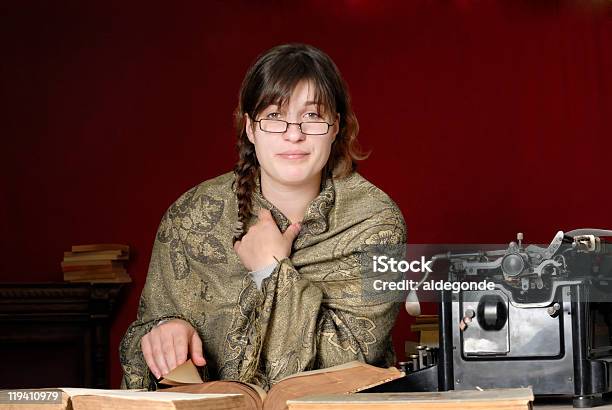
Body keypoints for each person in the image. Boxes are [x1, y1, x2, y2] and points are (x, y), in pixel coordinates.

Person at [119, 43, 406, 391]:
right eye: (273, 116)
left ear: (335, 128)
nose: (294, 133)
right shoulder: (190, 216)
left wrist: (270, 270)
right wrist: (164, 332)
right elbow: (142, 341)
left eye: (312, 116)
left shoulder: (378, 223)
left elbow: (355, 359)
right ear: (250, 129)